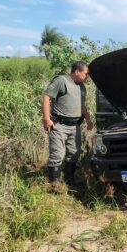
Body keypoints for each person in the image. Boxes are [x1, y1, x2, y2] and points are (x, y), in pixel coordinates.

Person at [41, 61, 94, 190]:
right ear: (77, 71)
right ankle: (55, 184)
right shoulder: (61, 81)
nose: (87, 77)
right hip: (59, 125)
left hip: (75, 126)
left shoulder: (82, 87)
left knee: (74, 153)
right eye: (85, 74)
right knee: (57, 154)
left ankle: (70, 181)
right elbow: (46, 97)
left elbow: (82, 106)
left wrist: (88, 120)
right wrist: (47, 119)